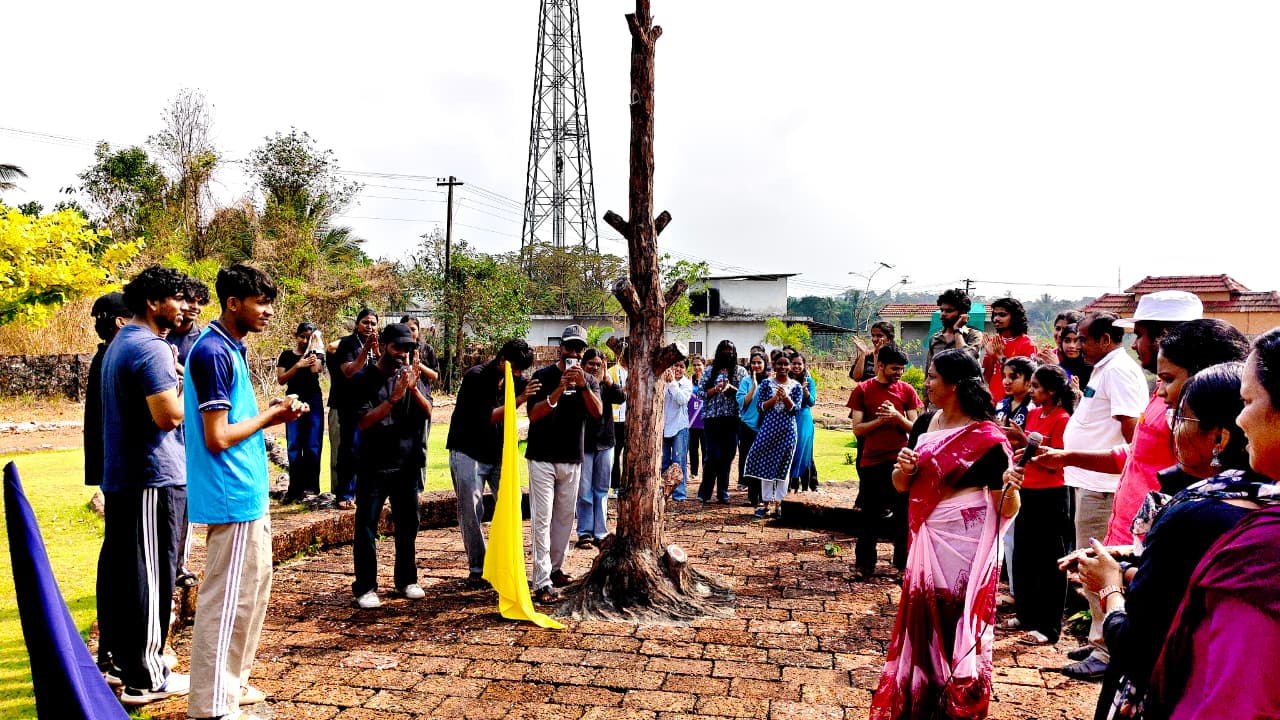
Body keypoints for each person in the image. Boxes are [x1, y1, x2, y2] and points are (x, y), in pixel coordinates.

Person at [1068, 362, 1267, 719]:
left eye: (1180, 417)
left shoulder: (1193, 516)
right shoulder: (1265, 505)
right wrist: (1130, 565)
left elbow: (1135, 645)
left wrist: (1109, 585)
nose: (1172, 428)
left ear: (1219, 439)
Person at [185, 264, 305, 719]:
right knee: (226, 603)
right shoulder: (213, 352)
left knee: (249, 598)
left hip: (247, 492)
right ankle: (212, 707)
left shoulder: (229, 347)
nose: (269, 311)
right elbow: (217, 436)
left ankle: (229, 689)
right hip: (231, 494)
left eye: (270, 303)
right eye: (261, 303)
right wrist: (271, 416)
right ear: (233, 303)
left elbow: (232, 422)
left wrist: (272, 412)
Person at [869, 348, 1016, 719]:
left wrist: (1013, 490)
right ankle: (920, 696)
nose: (926, 383)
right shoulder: (924, 424)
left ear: (954, 385)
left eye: (932, 376)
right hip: (925, 536)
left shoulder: (988, 439)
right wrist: (903, 470)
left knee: (954, 618)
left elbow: (1005, 508)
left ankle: (954, 700)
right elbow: (901, 485)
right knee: (923, 617)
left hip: (964, 546)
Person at [1146, 330, 1280, 718]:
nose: (1241, 418)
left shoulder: (1262, 551)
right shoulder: (1262, 510)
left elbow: (1238, 700)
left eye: (1249, 401)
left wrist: (1109, 592)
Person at [100, 266, 191, 705]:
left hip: (127, 477)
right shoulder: (151, 347)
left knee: (130, 573)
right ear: (154, 303)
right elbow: (168, 416)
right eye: (177, 298)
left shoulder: (123, 342)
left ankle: (124, 664)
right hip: (152, 477)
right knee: (152, 576)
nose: (184, 307)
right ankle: (148, 676)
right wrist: (189, 387)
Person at [1049, 311, 1151, 680]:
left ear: (1105, 340)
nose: (1077, 345)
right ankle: (1098, 637)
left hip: (1104, 486)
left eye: (1083, 339)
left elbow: (1132, 435)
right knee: (1088, 565)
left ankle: (1106, 650)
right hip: (1092, 481)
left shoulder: (1118, 370)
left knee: (1095, 565)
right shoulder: (1105, 368)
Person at [349, 323, 432, 609]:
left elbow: (428, 412)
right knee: (367, 526)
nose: (402, 353)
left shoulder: (410, 376)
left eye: (407, 348)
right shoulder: (363, 379)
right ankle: (365, 587)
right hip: (373, 464)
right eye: (397, 347)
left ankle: (406, 579)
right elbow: (363, 422)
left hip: (406, 464)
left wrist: (413, 389)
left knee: (408, 524)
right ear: (383, 345)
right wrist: (393, 399)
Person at [447, 340, 538, 587]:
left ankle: (505, 561)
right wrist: (519, 399)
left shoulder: (514, 379)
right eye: (515, 368)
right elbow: (486, 417)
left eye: (521, 370)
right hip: (468, 450)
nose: (518, 374)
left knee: (512, 503)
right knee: (471, 509)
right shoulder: (476, 377)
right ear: (502, 360)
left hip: (498, 452)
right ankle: (478, 568)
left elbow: (534, 389)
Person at [525, 324, 602, 604]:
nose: (574, 353)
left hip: (572, 457)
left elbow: (597, 412)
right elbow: (533, 415)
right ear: (561, 348)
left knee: (565, 519)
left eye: (579, 349)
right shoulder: (543, 376)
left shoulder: (589, 380)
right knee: (542, 519)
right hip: (542, 456)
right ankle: (541, 580)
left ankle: (555, 569)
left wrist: (582, 386)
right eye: (570, 347)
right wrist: (558, 390)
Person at [1002, 364, 1074, 646]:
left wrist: (1026, 443)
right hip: (1027, 491)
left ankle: (1049, 626)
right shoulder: (1034, 414)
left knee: (1050, 561)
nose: (1031, 391)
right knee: (1024, 557)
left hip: (1051, 495)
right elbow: (1026, 451)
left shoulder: (1062, 419)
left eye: (1035, 386)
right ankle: (1027, 614)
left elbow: (1057, 463)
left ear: (1052, 390)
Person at [84, 291, 132, 680]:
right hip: (122, 472)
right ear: (120, 322)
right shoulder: (114, 360)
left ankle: (113, 649)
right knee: (121, 558)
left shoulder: (105, 358)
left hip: (113, 470)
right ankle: (114, 651)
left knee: (118, 555)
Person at [847, 344, 921, 580]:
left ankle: (902, 566)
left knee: (903, 517)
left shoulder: (907, 391)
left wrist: (896, 416)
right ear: (880, 365)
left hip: (900, 462)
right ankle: (864, 565)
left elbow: (916, 429)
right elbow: (857, 429)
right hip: (872, 461)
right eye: (894, 369)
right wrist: (880, 420)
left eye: (902, 369)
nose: (899, 373)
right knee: (869, 516)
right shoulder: (863, 390)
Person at [328, 308, 379, 508]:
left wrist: (377, 351)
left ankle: (368, 492)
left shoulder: (379, 344)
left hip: (372, 403)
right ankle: (345, 494)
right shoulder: (347, 344)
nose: (369, 326)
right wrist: (366, 349)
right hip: (350, 404)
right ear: (357, 324)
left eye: (373, 323)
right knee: (350, 448)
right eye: (365, 322)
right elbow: (349, 371)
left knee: (372, 450)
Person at [743, 354, 803, 519]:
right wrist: (775, 398)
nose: (782, 367)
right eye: (779, 364)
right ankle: (766, 504)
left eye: (786, 364)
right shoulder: (766, 384)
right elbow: (761, 407)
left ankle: (780, 504)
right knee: (766, 465)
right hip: (768, 430)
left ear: (789, 367)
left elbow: (795, 410)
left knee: (784, 467)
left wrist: (785, 397)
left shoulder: (796, 386)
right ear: (774, 366)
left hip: (787, 432)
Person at [577, 348, 626, 547]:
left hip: (606, 442)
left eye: (598, 364)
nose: (595, 367)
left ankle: (600, 532)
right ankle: (584, 532)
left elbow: (621, 398)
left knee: (602, 488)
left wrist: (608, 379)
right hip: (584, 443)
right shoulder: (579, 385)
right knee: (584, 490)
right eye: (591, 364)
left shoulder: (607, 384)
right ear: (583, 365)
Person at [276, 322, 325, 502]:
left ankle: (311, 488)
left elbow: (315, 369)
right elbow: (281, 379)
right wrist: (298, 365)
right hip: (293, 400)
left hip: (313, 400)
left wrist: (314, 348)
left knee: (313, 444)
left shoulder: (316, 354)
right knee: (294, 445)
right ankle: (294, 488)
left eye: (309, 337)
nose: (305, 341)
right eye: (302, 337)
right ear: (296, 336)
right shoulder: (286, 355)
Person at [697, 340, 748, 503]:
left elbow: (745, 396)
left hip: (732, 419)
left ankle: (723, 492)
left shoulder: (740, 372)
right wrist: (715, 389)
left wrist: (731, 389)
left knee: (727, 457)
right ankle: (705, 493)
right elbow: (700, 394)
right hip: (712, 419)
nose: (727, 355)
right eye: (724, 352)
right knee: (713, 456)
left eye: (730, 352)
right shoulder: (710, 371)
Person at [401, 316, 441, 493]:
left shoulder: (426, 349)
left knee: (421, 446)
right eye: (406, 329)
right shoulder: (398, 348)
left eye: (413, 329)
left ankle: (419, 487)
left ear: (418, 330)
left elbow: (435, 375)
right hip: (402, 402)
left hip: (422, 401)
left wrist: (419, 366)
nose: (410, 332)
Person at [982, 297, 1037, 404]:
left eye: (1002, 315)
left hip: (1016, 404)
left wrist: (1001, 357)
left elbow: (1028, 380)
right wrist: (992, 356)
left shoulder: (1027, 344)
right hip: (994, 402)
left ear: (1015, 317)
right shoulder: (993, 341)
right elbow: (987, 378)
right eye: (995, 315)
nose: (996, 318)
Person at [924, 288, 984, 375]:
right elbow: (929, 373)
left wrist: (957, 330)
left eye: (949, 311)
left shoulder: (974, 335)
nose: (943, 314)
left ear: (962, 313)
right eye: (942, 310)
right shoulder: (935, 339)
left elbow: (967, 360)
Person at [737, 352, 768, 506]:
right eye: (753, 362)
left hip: (765, 427)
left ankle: (764, 497)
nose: (756, 365)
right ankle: (752, 497)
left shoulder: (770, 382)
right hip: (748, 426)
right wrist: (754, 387)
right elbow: (742, 402)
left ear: (765, 364)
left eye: (759, 362)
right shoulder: (746, 381)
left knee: (764, 462)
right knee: (749, 461)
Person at [661, 359, 694, 501]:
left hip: (680, 426)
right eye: (676, 365)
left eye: (682, 366)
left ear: (685, 369)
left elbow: (682, 399)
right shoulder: (662, 380)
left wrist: (673, 383)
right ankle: (663, 491)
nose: (678, 369)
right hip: (663, 425)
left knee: (678, 461)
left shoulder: (686, 384)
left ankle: (679, 494)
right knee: (663, 460)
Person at [788, 352, 819, 492]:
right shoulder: (785, 380)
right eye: (794, 363)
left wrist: (805, 391)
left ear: (804, 365)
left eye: (799, 364)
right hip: (788, 418)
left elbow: (811, 402)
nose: (796, 366)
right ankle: (789, 486)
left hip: (804, 418)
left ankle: (804, 487)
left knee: (804, 451)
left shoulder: (809, 381)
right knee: (790, 451)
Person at [166, 277, 209, 367]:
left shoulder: (202, 340)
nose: (195, 307)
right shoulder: (160, 331)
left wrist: (175, 365)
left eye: (200, 303)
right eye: (190, 300)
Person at [608, 342, 629, 495]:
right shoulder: (612, 372)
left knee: (630, 454)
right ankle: (615, 485)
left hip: (632, 418)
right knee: (615, 454)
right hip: (616, 419)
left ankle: (628, 484)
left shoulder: (638, 370)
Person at [1058, 322, 1093, 392]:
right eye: (1067, 341)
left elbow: (1092, 396)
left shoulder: (1092, 370)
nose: (1071, 346)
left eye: (1077, 341)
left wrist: (1078, 393)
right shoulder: (1058, 369)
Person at [687, 354, 706, 479]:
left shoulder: (708, 381)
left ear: (704, 365)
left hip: (705, 421)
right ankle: (694, 473)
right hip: (692, 421)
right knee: (693, 448)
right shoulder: (689, 381)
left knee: (706, 448)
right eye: (694, 365)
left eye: (699, 365)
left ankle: (706, 472)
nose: (696, 367)